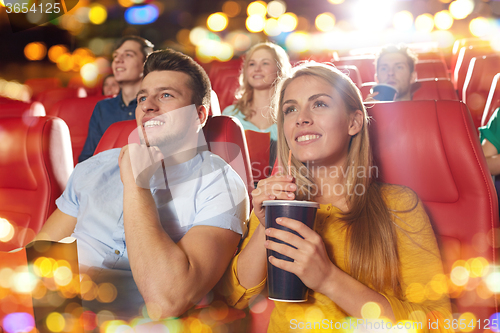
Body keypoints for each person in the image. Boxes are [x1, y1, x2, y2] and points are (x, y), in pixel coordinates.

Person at [221, 62, 452, 332]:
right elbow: (236, 298)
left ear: (353, 122)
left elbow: (438, 322)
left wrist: (328, 279)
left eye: (319, 104)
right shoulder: (278, 202)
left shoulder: (398, 205)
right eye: (290, 109)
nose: (301, 118)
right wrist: (266, 225)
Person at [35, 49, 248, 320]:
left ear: (200, 115)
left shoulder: (220, 184)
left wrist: (137, 184)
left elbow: (168, 300)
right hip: (53, 310)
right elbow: (38, 256)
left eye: (166, 95)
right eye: (142, 97)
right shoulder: (95, 167)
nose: (148, 105)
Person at [78, 36, 154, 163]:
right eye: (115, 56)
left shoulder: (156, 107)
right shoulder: (103, 108)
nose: (118, 60)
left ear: (146, 64)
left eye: (128, 55)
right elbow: (88, 158)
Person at [223, 43, 291, 182]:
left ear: (280, 69)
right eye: (252, 64)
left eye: (265, 63)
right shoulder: (230, 115)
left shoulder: (290, 114)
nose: (257, 69)